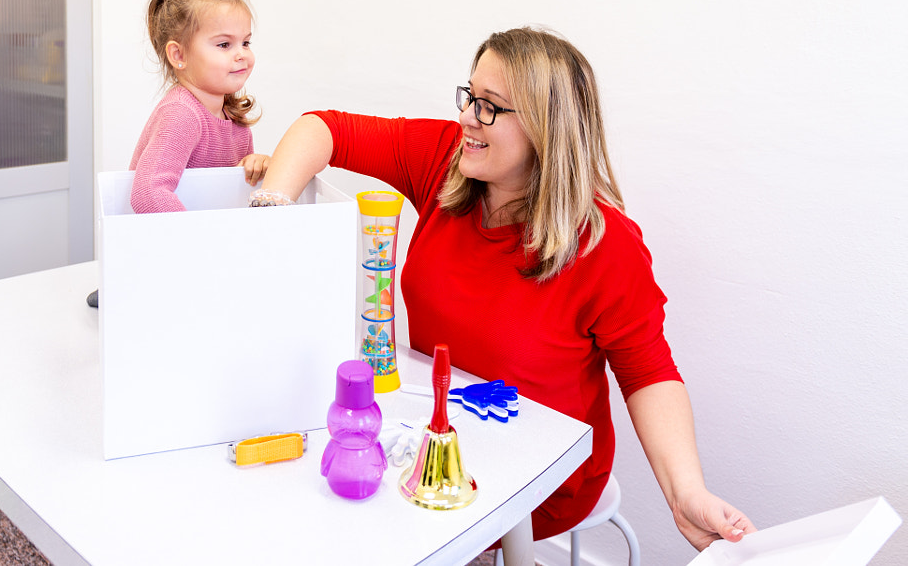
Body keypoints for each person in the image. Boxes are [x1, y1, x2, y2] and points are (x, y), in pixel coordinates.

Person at [252, 27, 756, 553]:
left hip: (537, 473)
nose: (468, 117)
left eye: (490, 106)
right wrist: (272, 218)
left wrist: (686, 493)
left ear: (546, 129)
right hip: (437, 432)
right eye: (470, 96)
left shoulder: (604, 245)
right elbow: (321, 130)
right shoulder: (447, 159)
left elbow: (649, 375)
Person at [87, 0, 268, 307]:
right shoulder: (182, 114)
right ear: (179, 55)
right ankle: (119, 284)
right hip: (158, 254)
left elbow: (227, 184)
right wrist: (202, 243)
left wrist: (253, 165)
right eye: (224, 45)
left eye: (246, 42)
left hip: (195, 255)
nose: (242, 55)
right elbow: (147, 194)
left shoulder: (235, 118)